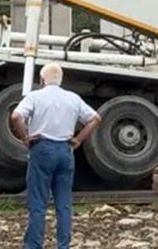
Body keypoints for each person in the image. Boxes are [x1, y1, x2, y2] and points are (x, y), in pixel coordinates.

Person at [11, 63, 102, 249]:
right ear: (60, 80)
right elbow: (95, 118)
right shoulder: (73, 98)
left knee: (38, 203)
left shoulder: (35, 97)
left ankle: (34, 245)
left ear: (42, 80)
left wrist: (25, 137)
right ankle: (63, 245)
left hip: (42, 148)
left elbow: (16, 117)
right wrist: (78, 139)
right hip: (65, 150)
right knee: (64, 204)